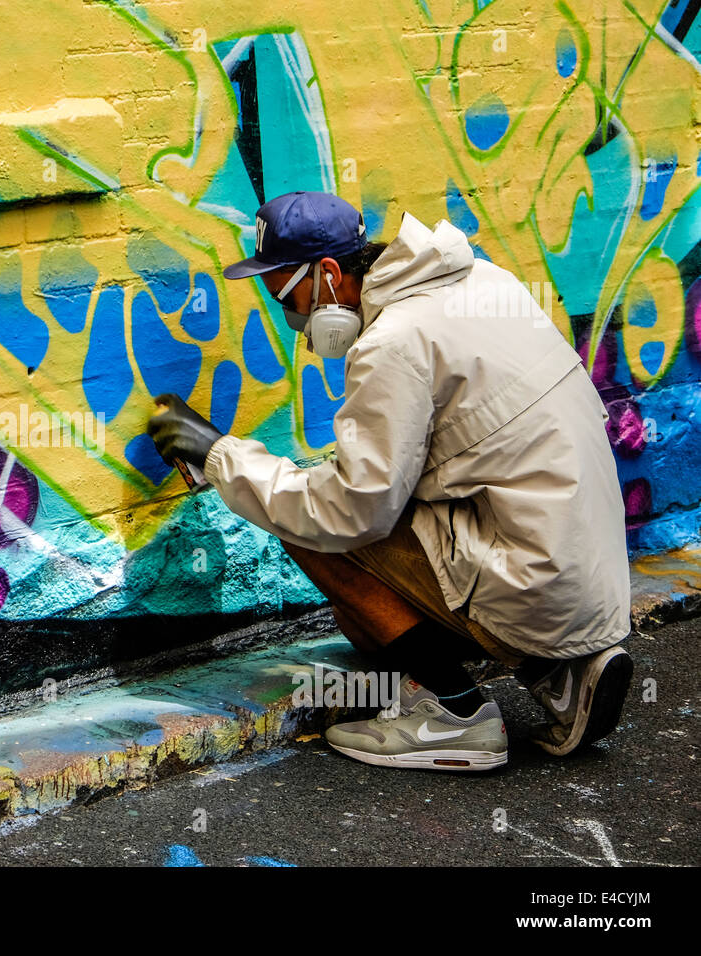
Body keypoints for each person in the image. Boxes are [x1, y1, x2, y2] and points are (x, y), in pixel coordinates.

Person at [147, 190, 633, 771]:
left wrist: (221, 455)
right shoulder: (485, 281)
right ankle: (556, 673)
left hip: (534, 583)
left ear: (328, 275)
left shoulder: (391, 343)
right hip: (584, 578)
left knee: (304, 525)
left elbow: (351, 512)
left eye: (286, 295)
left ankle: (455, 714)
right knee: (363, 622)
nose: (292, 317)